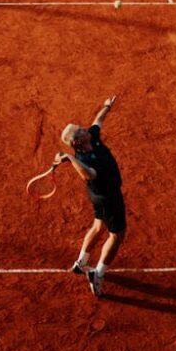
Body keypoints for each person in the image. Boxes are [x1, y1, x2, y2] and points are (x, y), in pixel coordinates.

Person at [53, 96, 126, 298]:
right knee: (117, 235)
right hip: (108, 196)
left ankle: (81, 261)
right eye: (81, 131)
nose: (86, 129)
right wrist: (69, 158)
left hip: (97, 196)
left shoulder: (91, 137)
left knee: (97, 226)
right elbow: (89, 174)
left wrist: (106, 107)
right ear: (77, 142)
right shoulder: (82, 159)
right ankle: (98, 274)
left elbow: (97, 121)